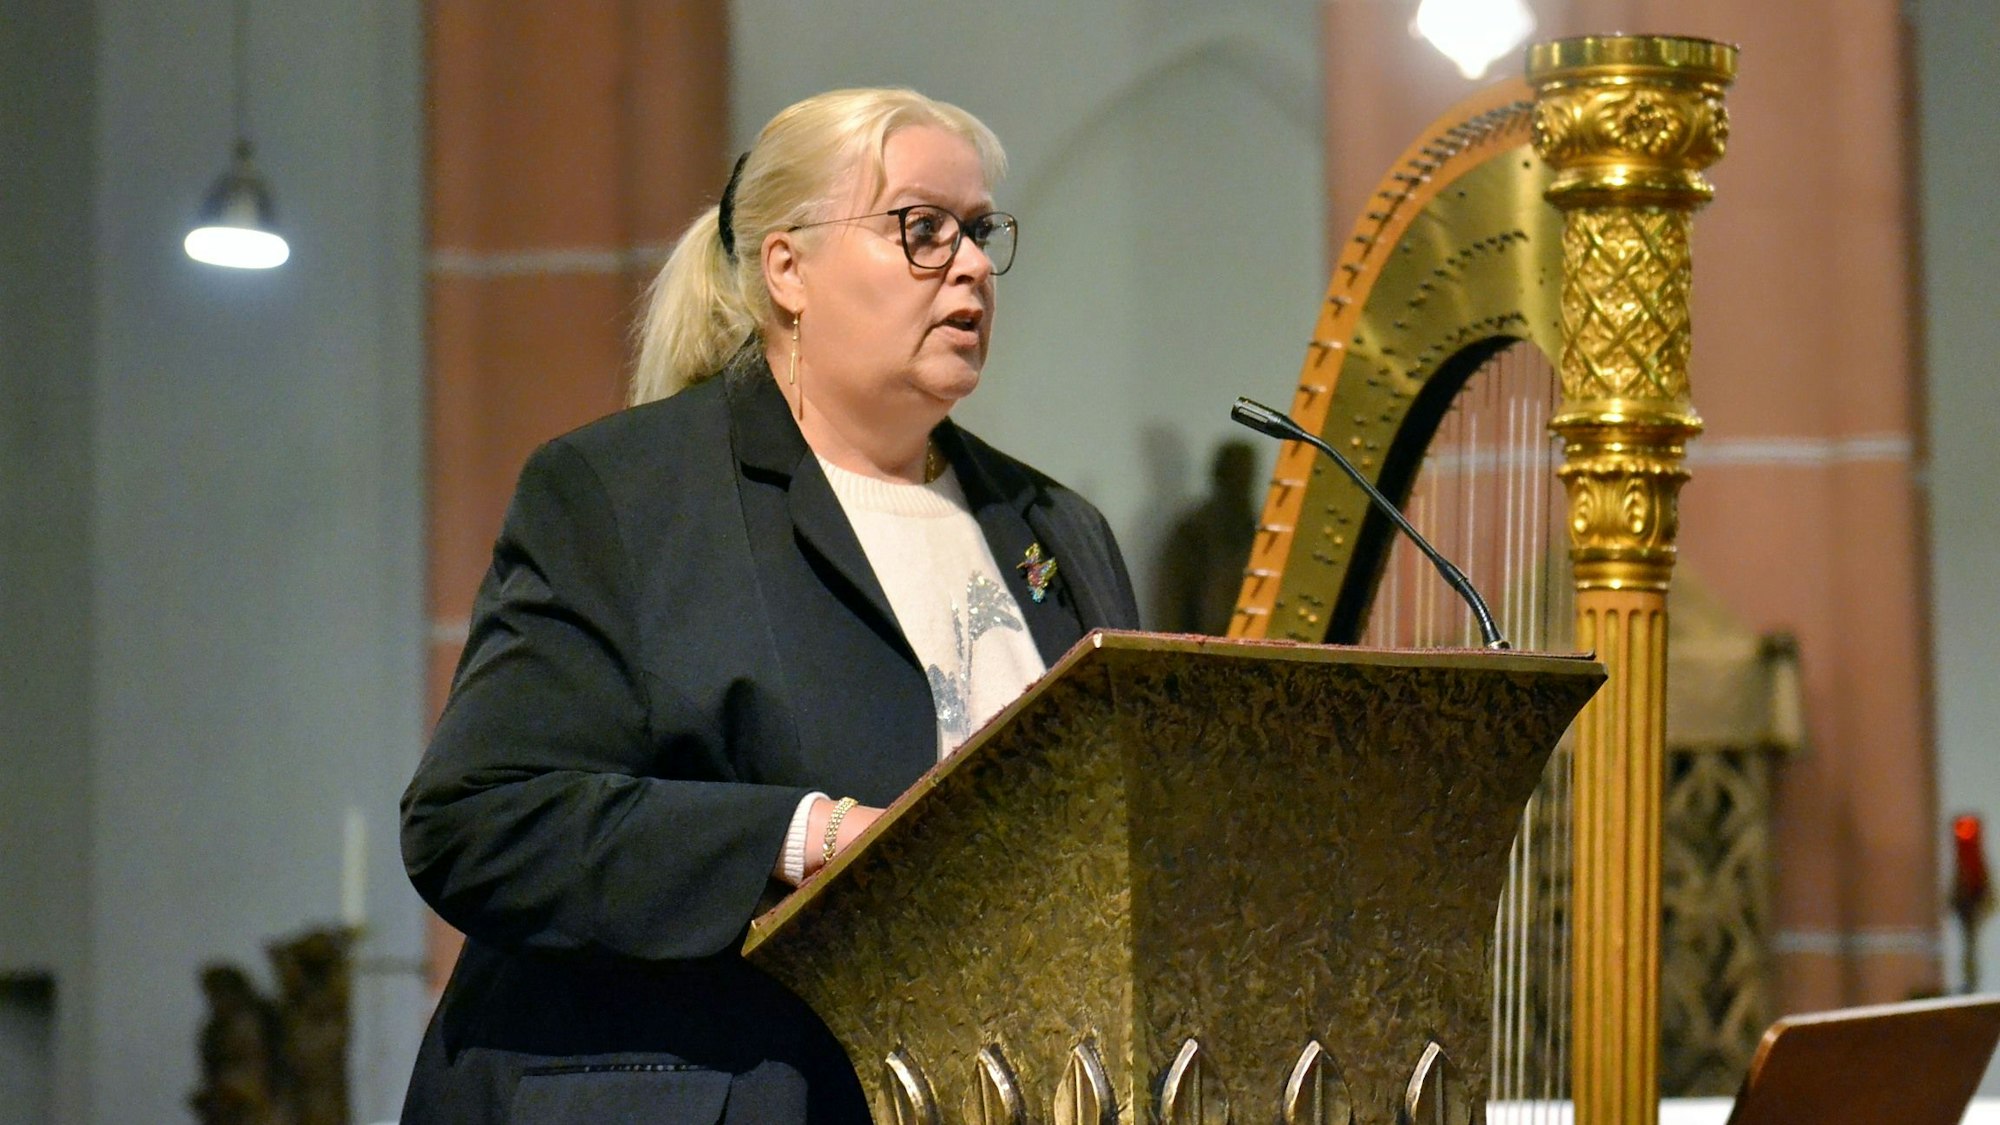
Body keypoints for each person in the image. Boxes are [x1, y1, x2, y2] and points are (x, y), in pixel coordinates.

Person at [398, 88, 1140, 1123]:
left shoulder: (1055, 528)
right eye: (920, 229)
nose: (969, 264)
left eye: (978, 232)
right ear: (787, 270)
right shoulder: (628, 494)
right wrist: (801, 838)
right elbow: (478, 821)